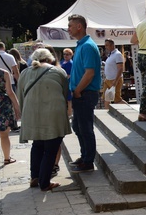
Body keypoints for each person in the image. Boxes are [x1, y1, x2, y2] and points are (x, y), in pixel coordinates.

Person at [17, 48, 71, 191]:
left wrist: (24, 113)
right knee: (51, 147)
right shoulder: (59, 72)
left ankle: (35, 176)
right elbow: (65, 93)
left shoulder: (25, 73)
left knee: (37, 144)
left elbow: (20, 95)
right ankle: (45, 182)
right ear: (49, 59)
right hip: (54, 113)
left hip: (32, 113)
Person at [67, 14, 101, 173]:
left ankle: (88, 161)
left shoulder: (87, 46)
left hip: (85, 93)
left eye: (70, 26)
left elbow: (89, 73)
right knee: (78, 126)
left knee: (85, 127)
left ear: (79, 26)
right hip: (81, 92)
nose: (69, 29)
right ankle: (85, 156)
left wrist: (78, 90)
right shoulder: (82, 45)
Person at [101, 39, 124, 109]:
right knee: (106, 98)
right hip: (108, 79)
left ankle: (130, 109)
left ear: (112, 45)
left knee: (117, 99)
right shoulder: (110, 55)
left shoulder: (118, 54)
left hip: (114, 80)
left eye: (107, 45)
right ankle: (106, 114)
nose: (105, 47)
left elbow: (120, 68)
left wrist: (115, 81)